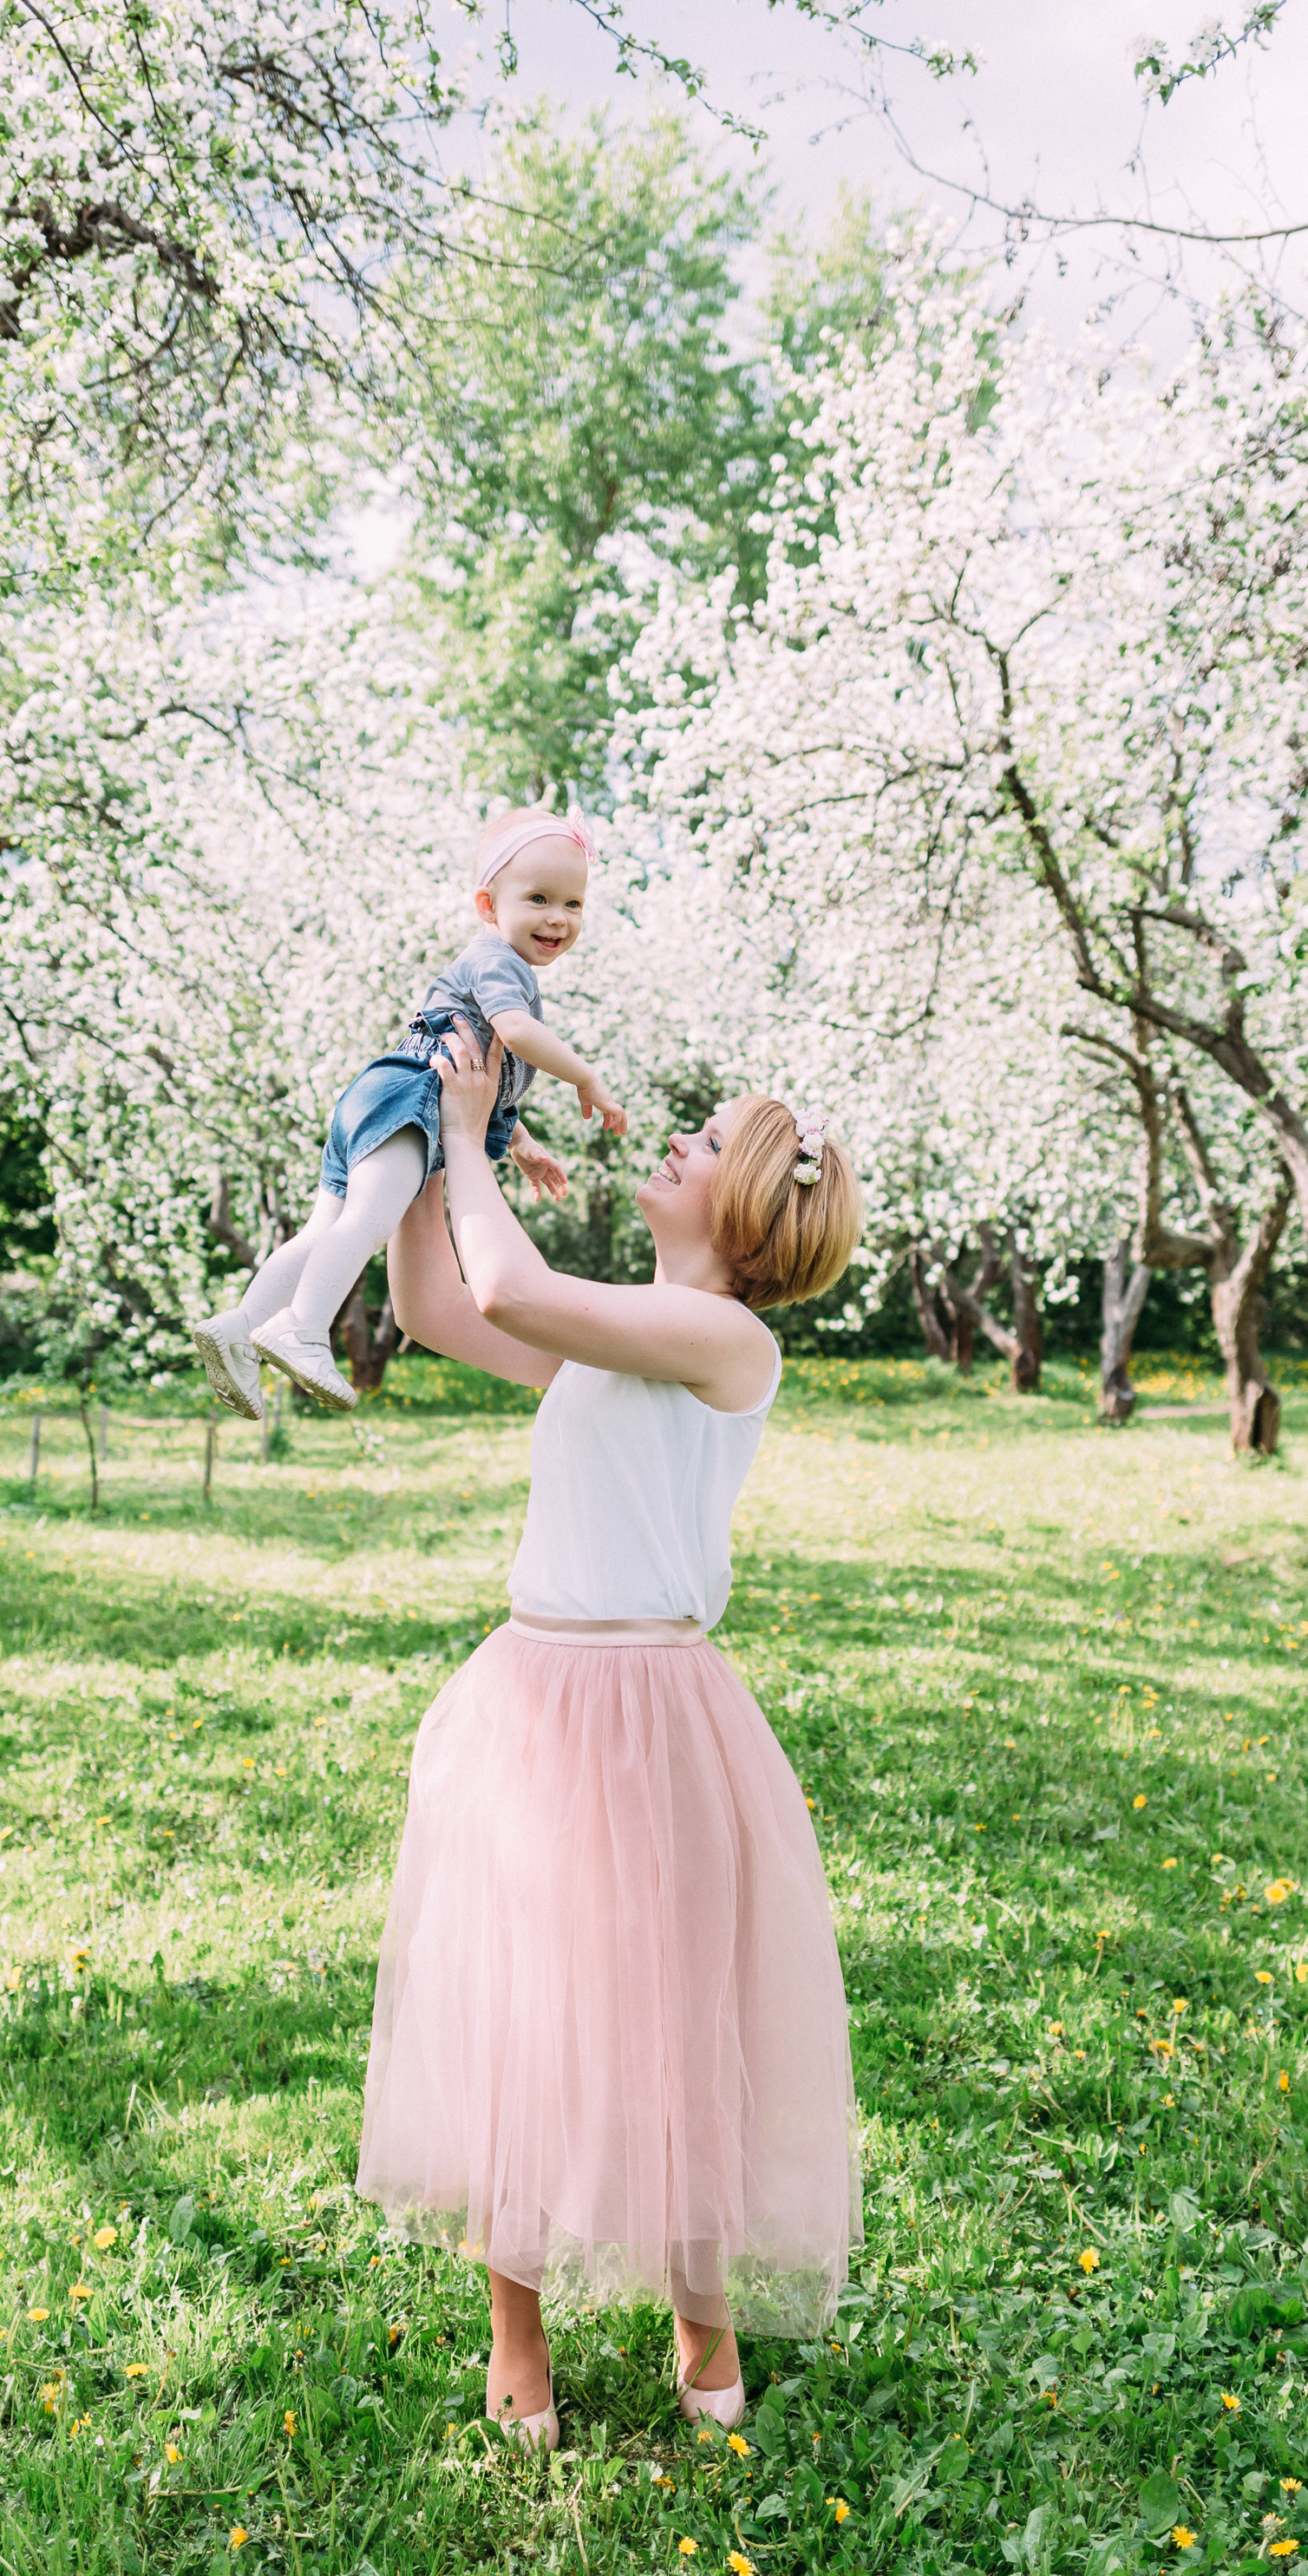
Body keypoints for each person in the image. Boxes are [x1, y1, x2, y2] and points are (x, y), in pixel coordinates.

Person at [353, 1024, 864, 2448]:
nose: (673, 1145)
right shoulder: (612, 1340)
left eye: (702, 1144)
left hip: (649, 1711)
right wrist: (409, 1163)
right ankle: (518, 2333)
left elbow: (510, 1276)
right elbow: (448, 1308)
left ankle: (702, 2318)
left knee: (666, 2022)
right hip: (533, 1694)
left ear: (745, 1208)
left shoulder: (722, 1337)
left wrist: (469, 1140)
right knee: (523, 2006)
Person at [189, 807, 627, 1419]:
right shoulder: (501, 962)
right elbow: (515, 1032)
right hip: (410, 1103)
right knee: (366, 1222)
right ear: (488, 905)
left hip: (376, 1097)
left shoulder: (484, 962)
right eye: (538, 898)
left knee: (324, 1229)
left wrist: (520, 1140)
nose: (557, 917)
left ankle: (239, 1325)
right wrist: (586, 1077)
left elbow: (479, 1072)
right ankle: (304, 1329)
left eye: (573, 904)